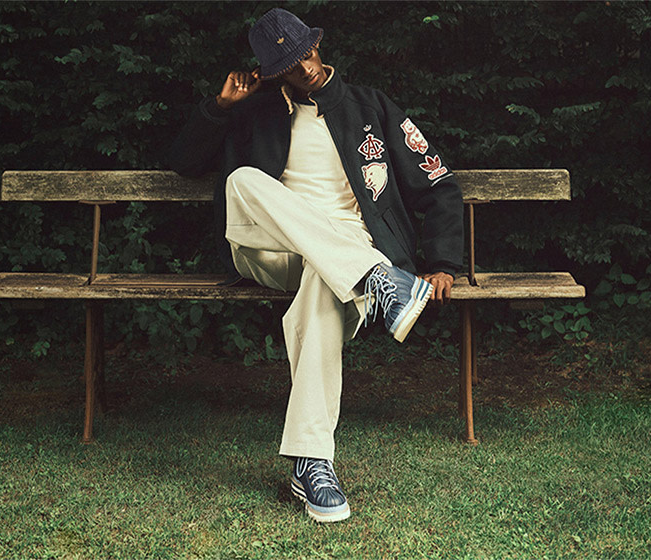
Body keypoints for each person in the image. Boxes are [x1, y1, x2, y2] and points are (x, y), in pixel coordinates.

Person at [165, 8, 464, 523]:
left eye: (305, 51)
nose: (303, 67)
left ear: (317, 44)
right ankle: (377, 281)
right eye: (287, 62)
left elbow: (436, 181)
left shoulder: (371, 106)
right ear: (269, 70)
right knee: (242, 181)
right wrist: (219, 107)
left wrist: (442, 261)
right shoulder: (253, 111)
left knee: (325, 283)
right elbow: (184, 162)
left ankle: (313, 463)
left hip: (343, 249)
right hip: (267, 248)